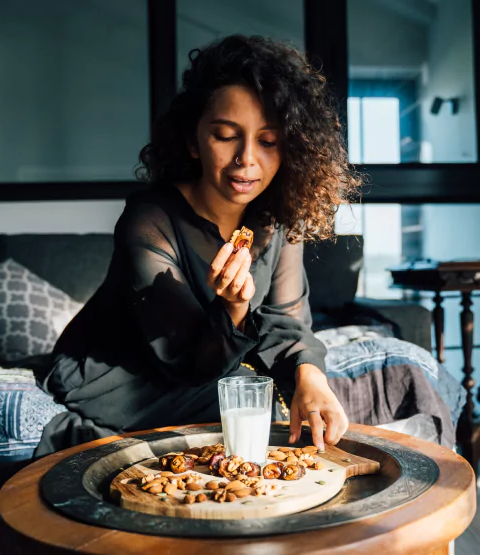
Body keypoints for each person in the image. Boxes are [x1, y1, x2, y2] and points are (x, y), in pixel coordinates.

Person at [34, 35, 362, 457]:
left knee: (294, 397)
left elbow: (287, 321)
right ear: (193, 141)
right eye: (226, 135)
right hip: (122, 371)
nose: (247, 159)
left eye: (267, 141)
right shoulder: (150, 220)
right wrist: (233, 309)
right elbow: (186, 360)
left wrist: (311, 377)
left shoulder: (277, 217)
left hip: (211, 359)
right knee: (252, 412)